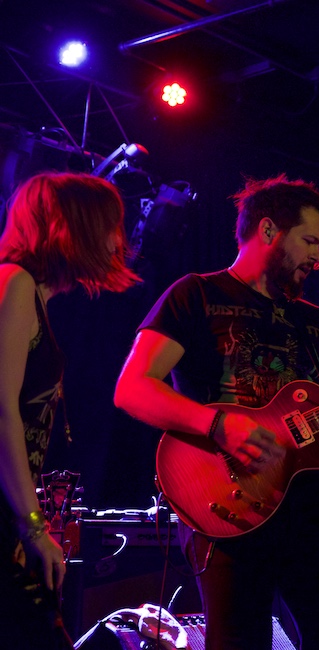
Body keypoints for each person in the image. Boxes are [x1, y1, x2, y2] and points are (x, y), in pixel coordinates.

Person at [113, 173, 319, 650]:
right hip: (222, 494)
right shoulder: (196, 294)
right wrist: (218, 424)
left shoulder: (311, 319)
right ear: (267, 231)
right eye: (309, 240)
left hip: (305, 496)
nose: (316, 257)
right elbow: (132, 388)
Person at [0, 171, 139, 649]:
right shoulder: (13, 282)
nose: (117, 238)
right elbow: (2, 414)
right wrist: (33, 526)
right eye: (109, 223)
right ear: (71, 226)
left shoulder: (32, 294)